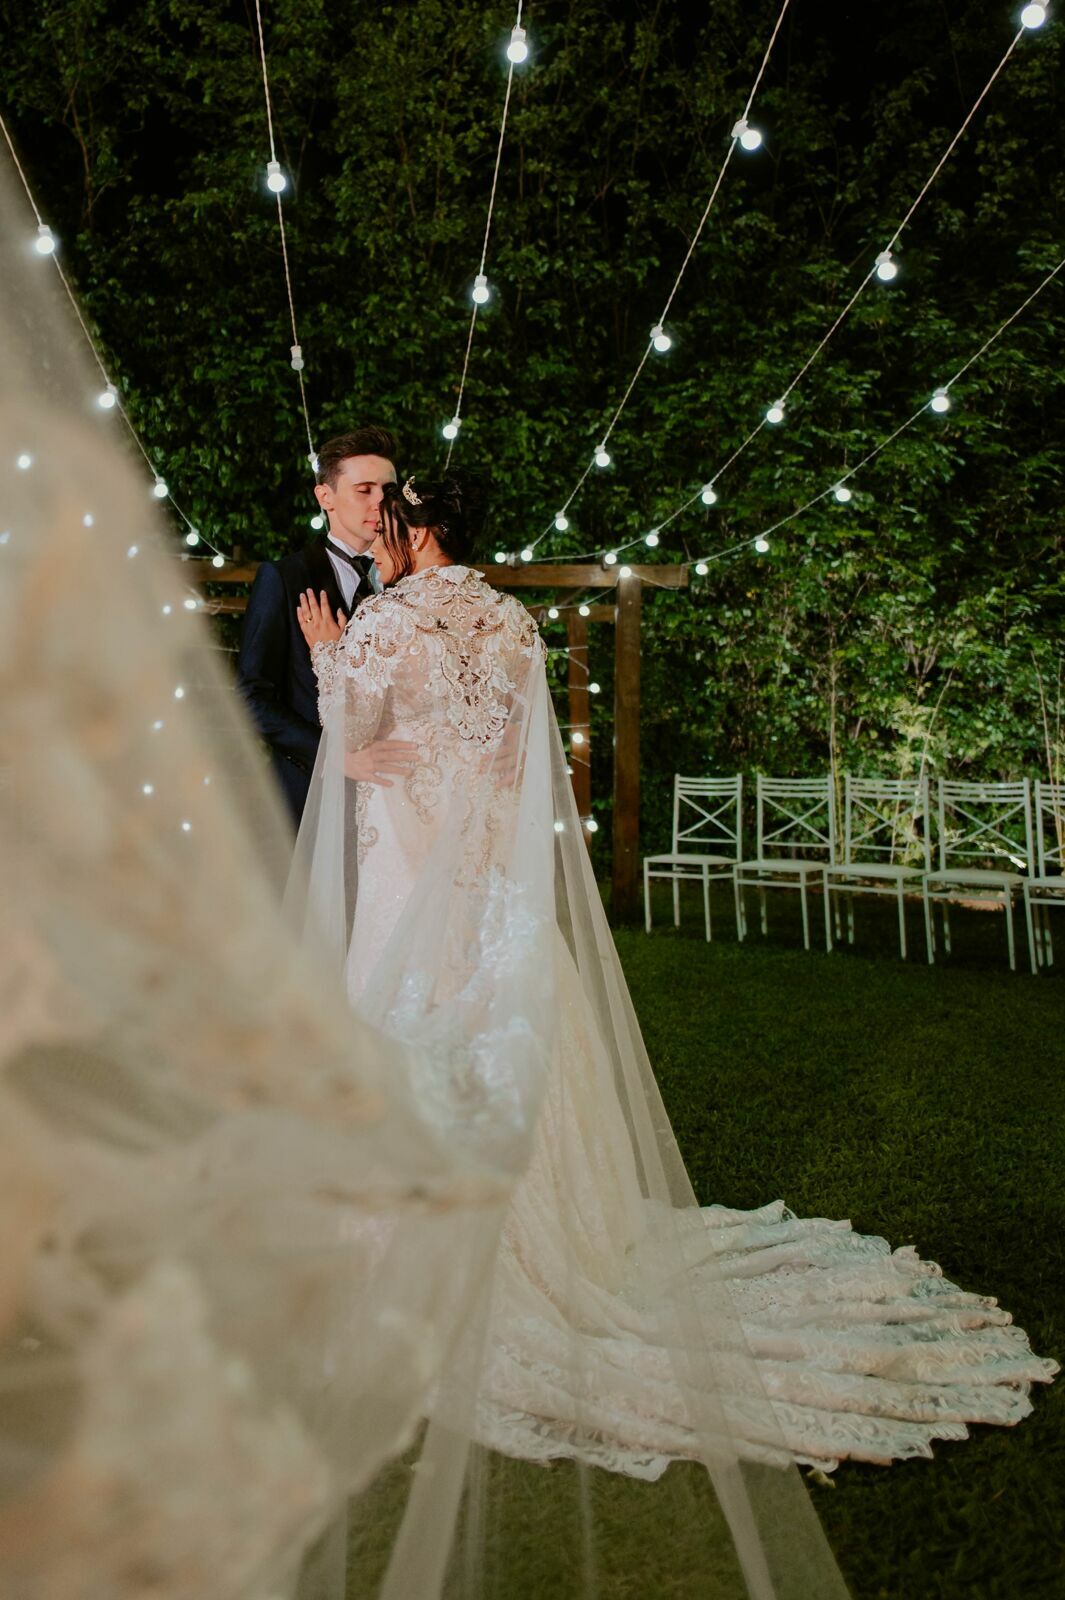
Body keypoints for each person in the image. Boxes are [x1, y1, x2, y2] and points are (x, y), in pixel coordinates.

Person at [296, 472, 1057, 1502]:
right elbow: (513, 771)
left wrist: (326, 652)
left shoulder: (385, 618)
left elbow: (350, 742)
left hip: (408, 882)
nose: (376, 531)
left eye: (388, 517)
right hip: (487, 888)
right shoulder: (516, 623)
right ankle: (550, 1238)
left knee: (406, 1041)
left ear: (411, 528)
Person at [237, 425, 417, 827]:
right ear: (325, 497)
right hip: (309, 800)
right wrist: (334, 755)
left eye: (388, 492)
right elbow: (251, 697)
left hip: (399, 803)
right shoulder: (284, 578)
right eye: (364, 490)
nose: (380, 504)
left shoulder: (414, 584)